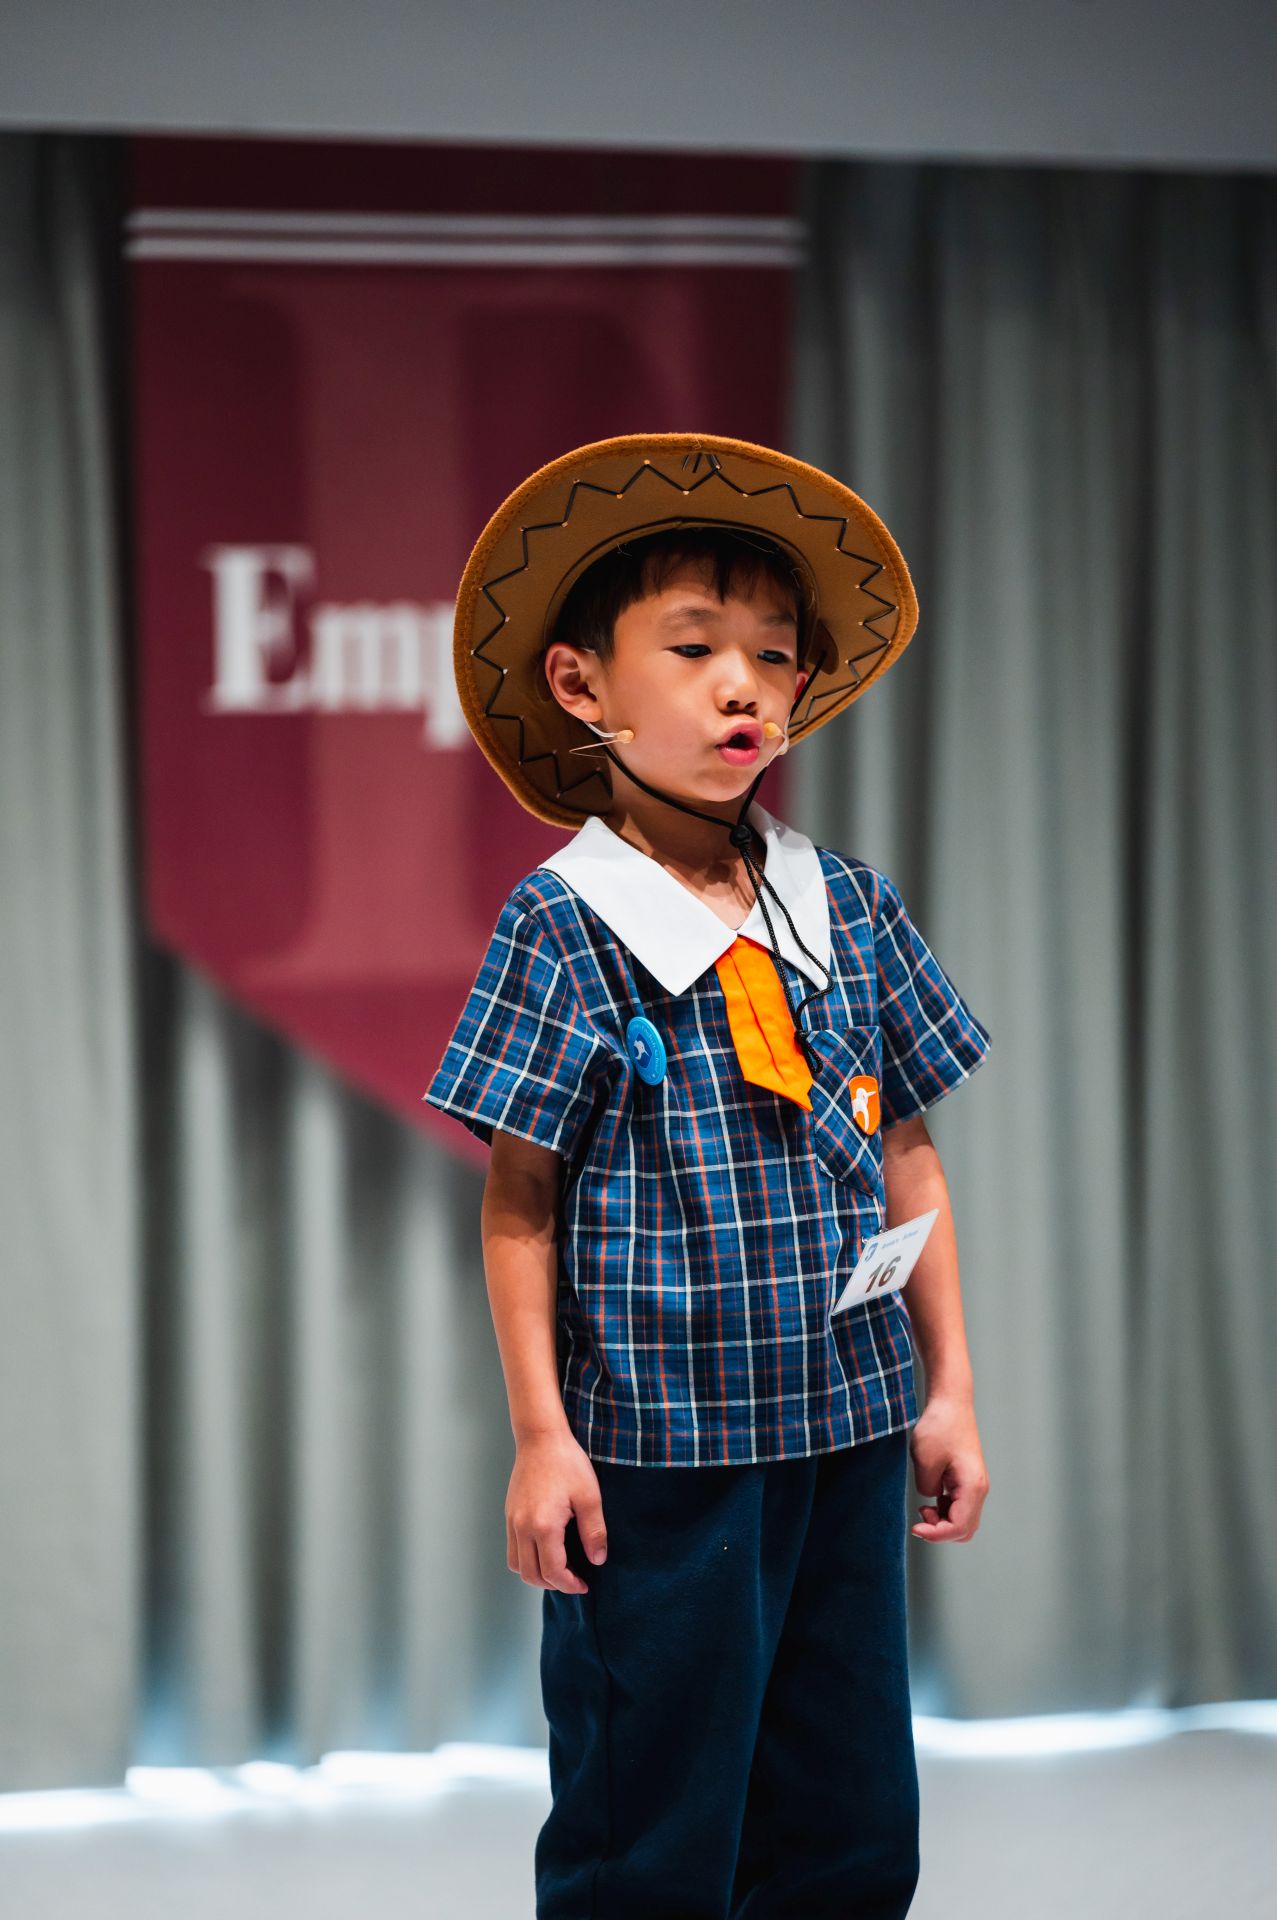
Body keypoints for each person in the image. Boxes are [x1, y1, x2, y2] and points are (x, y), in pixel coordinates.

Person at [422, 432, 994, 1918]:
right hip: (660, 1461)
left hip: (849, 1431)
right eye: (692, 649)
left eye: (773, 654)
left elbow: (905, 1148)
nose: (743, 685)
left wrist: (948, 1390)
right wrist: (542, 1438)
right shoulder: (563, 923)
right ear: (581, 686)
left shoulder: (846, 903)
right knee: (653, 1830)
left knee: (848, 1818)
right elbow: (520, 1200)